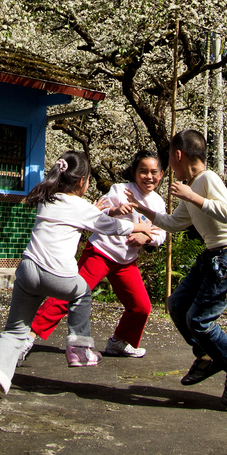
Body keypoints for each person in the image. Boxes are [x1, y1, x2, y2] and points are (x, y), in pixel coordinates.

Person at [0, 150, 154, 406]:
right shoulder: (81, 207)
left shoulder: (47, 197)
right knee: (82, 292)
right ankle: (79, 350)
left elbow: (75, 217)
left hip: (27, 270)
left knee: (14, 331)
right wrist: (141, 227)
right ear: (82, 181)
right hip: (55, 274)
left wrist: (91, 211)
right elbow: (113, 227)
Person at [127, 129, 227, 407]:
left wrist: (191, 195)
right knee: (178, 304)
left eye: (168, 159)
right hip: (212, 257)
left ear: (178, 155)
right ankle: (207, 356)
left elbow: (225, 212)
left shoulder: (207, 179)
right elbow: (172, 223)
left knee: (199, 320)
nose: (168, 166)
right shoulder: (192, 187)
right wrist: (141, 208)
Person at [30, 150, 168, 358]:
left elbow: (161, 233)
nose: (148, 176)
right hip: (101, 252)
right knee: (70, 293)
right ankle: (30, 333)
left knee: (141, 307)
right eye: (143, 171)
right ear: (133, 172)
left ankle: (120, 342)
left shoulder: (157, 202)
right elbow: (94, 214)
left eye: (153, 172)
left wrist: (146, 238)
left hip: (126, 261)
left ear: (162, 174)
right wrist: (114, 211)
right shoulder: (119, 190)